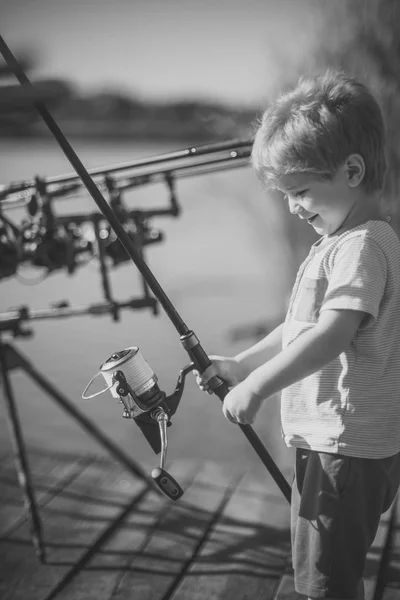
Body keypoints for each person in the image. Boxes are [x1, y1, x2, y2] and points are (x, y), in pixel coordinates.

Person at [195, 69, 400, 599]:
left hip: (346, 447)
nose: (292, 206)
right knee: (325, 570)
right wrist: (243, 364)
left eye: (301, 191)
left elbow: (331, 336)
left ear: (351, 170)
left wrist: (258, 387)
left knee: (327, 580)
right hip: (337, 442)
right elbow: (301, 327)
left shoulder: (362, 245)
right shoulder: (342, 241)